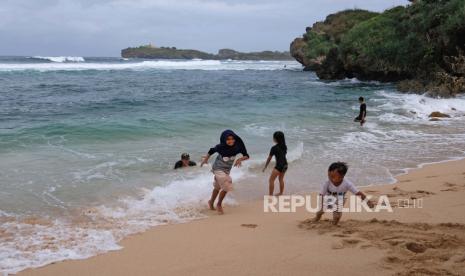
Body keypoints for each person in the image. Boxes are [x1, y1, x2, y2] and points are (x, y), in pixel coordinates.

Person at [201, 130, 249, 214]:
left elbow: (246, 155)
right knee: (227, 184)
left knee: (218, 187)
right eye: (228, 139)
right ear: (224, 139)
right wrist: (206, 159)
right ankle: (219, 204)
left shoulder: (238, 146)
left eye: (232, 139)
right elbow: (211, 150)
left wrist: (240, 159)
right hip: (218, 168)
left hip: (226, 170)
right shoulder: (220, 147)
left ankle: (211, 202)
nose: (231, 141)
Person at [262, 131, 288, 196]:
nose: (273, 138)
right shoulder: (284, 146)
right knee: (281, 179)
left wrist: (265, 166)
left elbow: (269, 158)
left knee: (271, 180)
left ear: (276, 139)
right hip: (285, 165)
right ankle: (281, 193)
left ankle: (270, 195)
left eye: (273, 137)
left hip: (279, 166)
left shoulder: (274, 148)